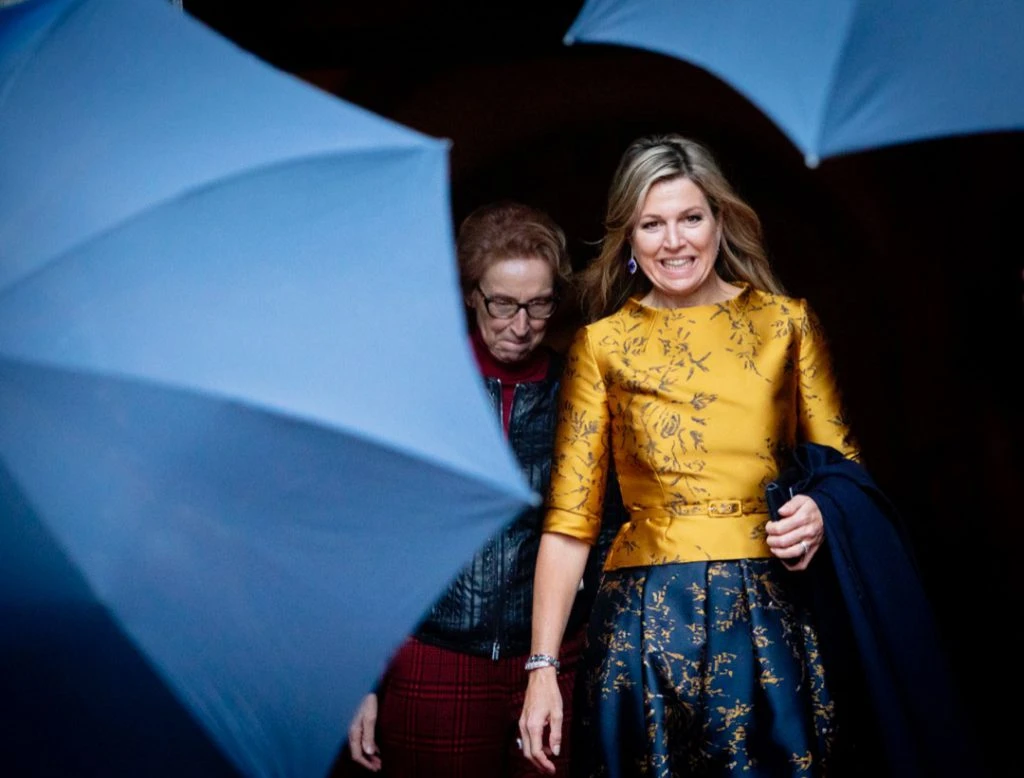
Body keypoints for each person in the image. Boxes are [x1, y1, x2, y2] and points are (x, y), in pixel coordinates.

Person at [516, 134, 972, 777]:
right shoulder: (601, 345)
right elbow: (570, 523)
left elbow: (845, 475)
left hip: (772, 616)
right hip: (644, 628)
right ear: (629, 239)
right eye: (651, 224)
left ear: (720, 221)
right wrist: (541, 669)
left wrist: (821, 512)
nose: (673, 241)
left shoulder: (788, 324)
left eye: (690, 217)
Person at [341, 200, 621, 777]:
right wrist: (361, 677)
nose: (521, 325)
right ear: (472, 295)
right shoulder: (421, 389)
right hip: (432, 657)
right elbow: (374, 536)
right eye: (503, 304)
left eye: (539, 304)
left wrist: (585, 641)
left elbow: (607, 526)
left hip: (551, 661)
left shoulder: (581, 391)